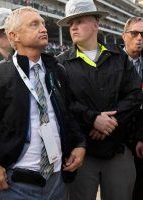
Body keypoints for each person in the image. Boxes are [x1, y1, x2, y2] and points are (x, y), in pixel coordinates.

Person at [0, 6, 86, 200]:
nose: (43, 28)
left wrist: (79, 144)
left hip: (57, 181)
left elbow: (68, 113)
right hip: (14, 184)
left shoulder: (57, 71)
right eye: (34, 24)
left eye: (43, 23)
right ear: (14, 35)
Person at [56, 0, 142, 200]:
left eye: (79, 21)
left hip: (118, 148)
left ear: (96, 23)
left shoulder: (118, 56)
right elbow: (64, 103)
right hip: (80, 152)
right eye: (71, 24)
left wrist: (110, 122)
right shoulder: (61, 64)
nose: (74, 27)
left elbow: (135, 94)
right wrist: (93, 119)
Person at [122, 16, 143, 200]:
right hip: (119, 138)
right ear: (124, 36)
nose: (139, 38)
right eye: (134, 33)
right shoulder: (111, 62)